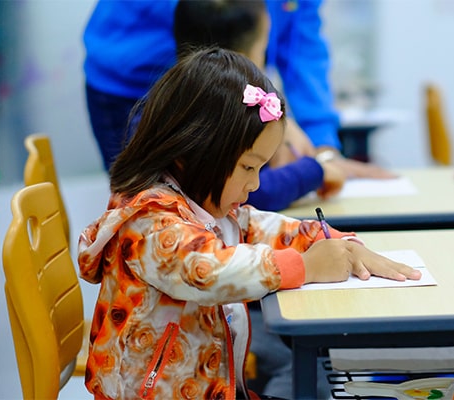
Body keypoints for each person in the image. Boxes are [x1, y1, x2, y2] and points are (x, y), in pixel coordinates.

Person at [77, 47, 420, 399]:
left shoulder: (205, 208)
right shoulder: (149, 222)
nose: (255, 184)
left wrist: (329, 240)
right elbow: (208, 270)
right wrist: (304, 266)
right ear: (191, 152)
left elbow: (258, 227)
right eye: (248, 167)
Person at [83, 0, 392, 178]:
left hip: (224, 79)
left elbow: (301, 43)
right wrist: (270, 111)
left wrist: (323, 148)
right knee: (164, 209)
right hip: (136, 84)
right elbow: (216, 25)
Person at [173, 0, 345, 212]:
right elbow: (251, 195)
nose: (253, 183)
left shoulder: (172, 102)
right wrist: (316, 171)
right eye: (263, 51)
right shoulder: (214, 120)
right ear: (241, 60)